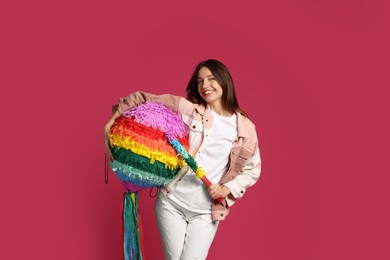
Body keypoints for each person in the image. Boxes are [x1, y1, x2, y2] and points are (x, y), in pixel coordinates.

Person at [104, 59, 261, 260]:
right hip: (171, 202)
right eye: (200, 81)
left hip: (205, 211)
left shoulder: (245, 129)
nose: (205, 86)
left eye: (211, 79)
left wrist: (227, 189)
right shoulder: (189, 110)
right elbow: (141, 98)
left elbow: (252, 170)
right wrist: (108, 125)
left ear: (224, 81)